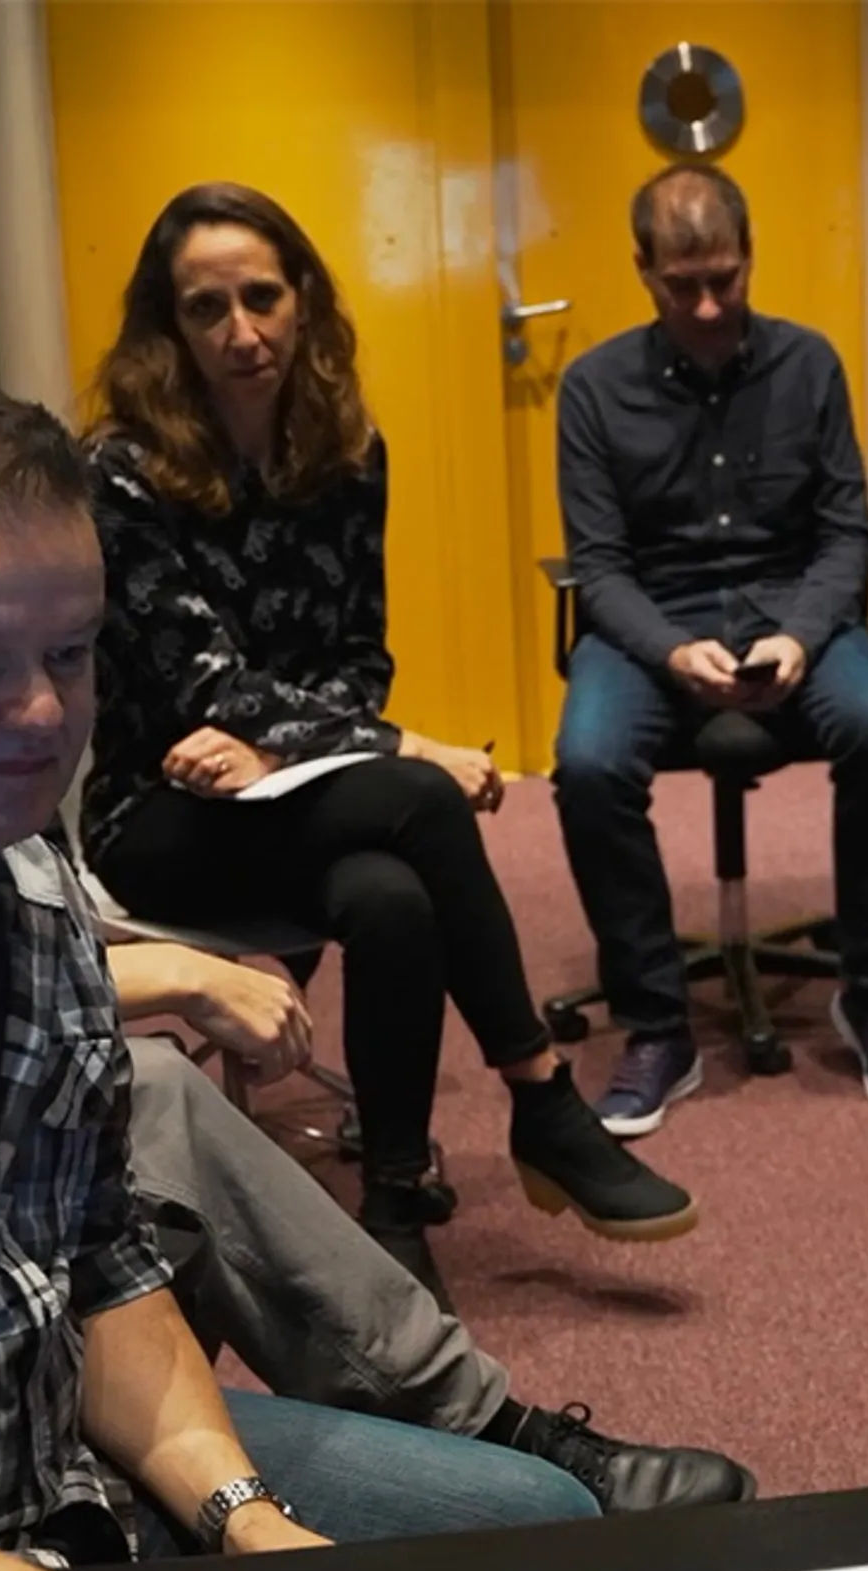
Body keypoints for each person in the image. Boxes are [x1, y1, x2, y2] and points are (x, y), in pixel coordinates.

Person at [0, 282, 751, 1516]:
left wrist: (240, 1518)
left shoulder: (12, 867)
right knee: (273, 971)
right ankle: (525, 1121)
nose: (39, 715)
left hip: (27, 1424)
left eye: (69, 655)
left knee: (537, 1517)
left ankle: (470, 1323)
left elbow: (93, 1262)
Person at [81, 182, 696, 1246]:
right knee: (422, 797)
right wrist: (400, 745)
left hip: (299, 790)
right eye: (206, 308)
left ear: (303, 300)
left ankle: (396, 1200)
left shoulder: (350, 452)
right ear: (167, 328)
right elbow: (203, 685)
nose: (242, 332)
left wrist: (280, 748)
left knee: (392, 898)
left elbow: (360, 656)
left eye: (263, 298)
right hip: (161, 807)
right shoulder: (120, 472)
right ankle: (542, 1099)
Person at [552, 162, 868, 1130]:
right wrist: (672, 652)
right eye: (683, 285)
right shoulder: (593, 387)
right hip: (655, 617)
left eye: (725, 278)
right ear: (643, 270)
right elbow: (598, 566)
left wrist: (802, 635)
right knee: (588, 765)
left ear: (751, 257)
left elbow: (846, 532)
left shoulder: (810, 364)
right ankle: (656, 1024)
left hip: (790, 604)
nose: (709, 306)